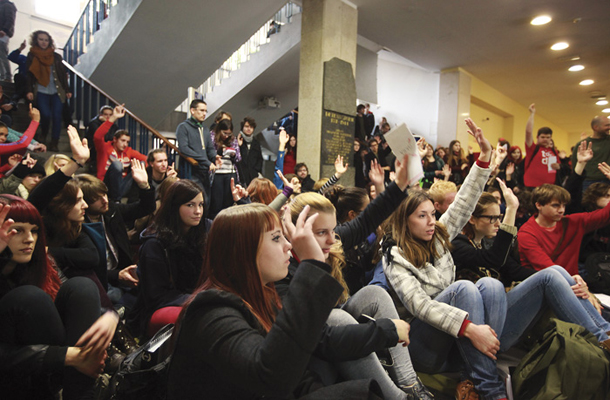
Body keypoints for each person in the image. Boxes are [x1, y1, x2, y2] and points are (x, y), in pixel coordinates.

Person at [382, 119, 610, 400]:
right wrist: (470, 328)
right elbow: (421, 306)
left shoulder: (438, 234)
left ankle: (604, 337)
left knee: (502, 283)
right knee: (464, 287)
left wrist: (485, 158)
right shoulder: (394, 252)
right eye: (423, 216)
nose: (432, 222)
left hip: (467, 340)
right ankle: (489, 389)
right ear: (406, 220)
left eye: (433, 214)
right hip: (426, 345)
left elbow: (464, 202)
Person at [167, 203, 411, 399]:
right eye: (276, 238)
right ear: (243, 250)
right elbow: (271, 377)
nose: (288, 245)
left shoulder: (262, 294)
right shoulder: (211, 311)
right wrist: (312, 266)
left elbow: (300, 377)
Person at [281, 154, 433, 400]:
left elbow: (366, 222)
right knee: (337, 317)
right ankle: (398, 397)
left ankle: (410, 385)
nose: (332, 240)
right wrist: (386, 331)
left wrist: (399, 185)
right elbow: (316, 336)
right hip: (309, 355)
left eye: (333, 230)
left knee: (375, 293)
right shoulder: (281, 267)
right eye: (322, 233)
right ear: (295, 231)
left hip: (331, 336)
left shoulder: (330, 240)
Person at [0, 196, 119, 400]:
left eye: (34, 230)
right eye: (17, 230)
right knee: (30, 297)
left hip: (54, 371)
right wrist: (70, 356)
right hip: (15, 381)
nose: (29, 238)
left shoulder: (41, 263)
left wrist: (109, 317)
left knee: (82, 286)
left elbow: (73, 306)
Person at [135, 180, 209, 337]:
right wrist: (200, 299)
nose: (198, 211)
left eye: (201, 205)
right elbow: (156, 296)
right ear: (175, 207)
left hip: (193, 298)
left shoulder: (202, 232)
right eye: (190, 205)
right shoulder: (154, 244)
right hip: (163, 306)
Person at [518, 182, 610, 276]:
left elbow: (605, 215)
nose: (561, 210)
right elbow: (547, 268)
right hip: (543, 285)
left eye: (564, 205)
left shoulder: (572, 222)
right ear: (539, 205)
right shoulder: (526, 233)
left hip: (572, 283)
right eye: (555, 205)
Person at [25, 30, 71, 151]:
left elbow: (62, 74)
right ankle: (43, 134)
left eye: (46, 40)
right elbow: (29, 75)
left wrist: (67, 89)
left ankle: (54, 142)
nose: (44, 42)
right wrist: (29, 90)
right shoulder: (32, 55)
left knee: (57, 116)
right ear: (36, 40)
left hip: (56, 90)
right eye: (41, 39)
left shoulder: (56, 56)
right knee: (45, 114)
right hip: (40, 90)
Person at [92, 104, 147, 201]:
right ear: (115, 140)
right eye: (122, 141)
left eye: (127, 142)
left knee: (140, 165)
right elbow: (97, 136)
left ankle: (132, 198)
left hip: (122, 186)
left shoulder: (128, 151)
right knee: (117, 164)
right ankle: (116, 200)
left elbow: (147, 160)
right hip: (105, 185)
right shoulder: (104, 148)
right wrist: (113, 117)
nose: (125, 144)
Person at [176, 99, 217, 201]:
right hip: (191, 170)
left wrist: (215, 157)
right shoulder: (183, 127)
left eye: (205, 111)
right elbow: (184, 149)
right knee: (195, 199)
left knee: (206, 200)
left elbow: (210, 148)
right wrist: (207, 162)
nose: (204, 114)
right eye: (201, 110)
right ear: (192, 111)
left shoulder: (205, 129)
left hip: (204, 171)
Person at [209, 118, 241, 218]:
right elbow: (209, 153)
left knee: (228, 203)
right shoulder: (212, 137)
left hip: (230, 172)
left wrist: (233, 155)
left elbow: (239, 157)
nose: (226, 136)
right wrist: (220, 151)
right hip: (217, 173)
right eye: (224, 133)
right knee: (216, 202)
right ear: (219, 130)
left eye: (229, 134)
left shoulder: (233, 139)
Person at [523, 104, 559, 188]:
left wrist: (558, 166)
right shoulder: (533, 148)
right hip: (532, 186)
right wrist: (532, 114)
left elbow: (557, 168)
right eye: (542, 137)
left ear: (551, 138)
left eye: (548, 137)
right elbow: (528, 132)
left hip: (549, 187)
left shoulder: (554, 151)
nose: (545, 139)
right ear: (537, 137)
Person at [571, 115, 610, 192]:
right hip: (588, 182)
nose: (609, 127)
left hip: (608, 180)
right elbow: (576, 166)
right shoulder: (582, 144)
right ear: (595, 127)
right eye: (607, 125)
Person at [85, 105, 116, 175]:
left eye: (110, 115)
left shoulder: (114, 126)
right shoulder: (93, 123)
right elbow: (105, 138)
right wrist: (105, 124)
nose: (108, 117)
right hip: (94, 148)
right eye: (106, 114)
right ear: (100, 115)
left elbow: (113, 139)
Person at [237, 116, 263, 186]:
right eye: (246, 126)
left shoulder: (256, 143)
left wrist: (256, 171)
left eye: (251, 127)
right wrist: (240, 146)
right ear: (242, 127)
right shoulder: (237, 141)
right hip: (240, 177)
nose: (249, 129)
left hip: (253, 177)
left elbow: (260, 159)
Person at [0, 0, 16, 82]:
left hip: (3, 34)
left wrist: (5, 30)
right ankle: (2, 76)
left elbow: (10, 19)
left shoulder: (7, 5)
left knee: (2, 55)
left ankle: (7, 76)